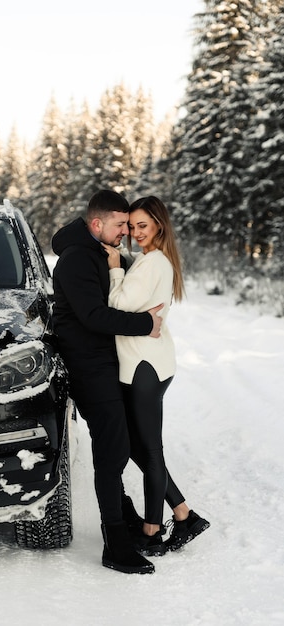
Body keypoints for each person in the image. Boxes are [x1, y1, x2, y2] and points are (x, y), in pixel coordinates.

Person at [51, 189, 164, 575]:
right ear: (97, 224)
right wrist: (146, 324)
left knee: (119, 444)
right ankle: (115, 544)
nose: (125, 232)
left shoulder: (99, 251)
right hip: (89, 368)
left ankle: (129, 521)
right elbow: (95, 317)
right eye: (120, 225)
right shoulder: (76, 260)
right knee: (111, 454)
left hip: (106, 364)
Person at [103, 195, 210, 557]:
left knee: (148, 450)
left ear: (159, 226)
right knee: (139, 446)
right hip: (147, 363)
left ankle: (151, 531)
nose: (134, 232)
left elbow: (118, 305)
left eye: (142, 226)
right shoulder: (150, 261)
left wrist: (115, 267)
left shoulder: (152, 263)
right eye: (131, 226)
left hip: (144, 367)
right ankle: (183, 513)